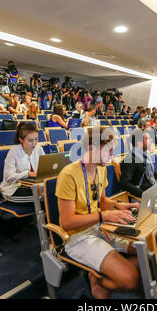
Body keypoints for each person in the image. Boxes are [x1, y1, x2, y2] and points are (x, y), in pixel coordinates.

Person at [56, 126, 140, 299]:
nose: (112, 155)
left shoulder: (101, 169)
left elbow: (101, 202)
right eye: (109, 150)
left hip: (101, 227)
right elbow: (67, 223)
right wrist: (104, 215)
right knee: (131, 280)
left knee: (144, 251)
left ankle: (106, 272)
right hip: (78, 237)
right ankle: (99, 283)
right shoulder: (68, 175)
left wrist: (118, 206)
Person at [0, 123, 45, 203]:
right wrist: (27, 174)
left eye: (36, 139)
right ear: (21, 139)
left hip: (32, 185)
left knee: (51, 192)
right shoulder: (13, 152)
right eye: (30, 141)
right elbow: (8, 177)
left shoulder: (39, 149)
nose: (34, 143)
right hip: (13, 189)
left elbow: (45, 169)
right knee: (46, 196)